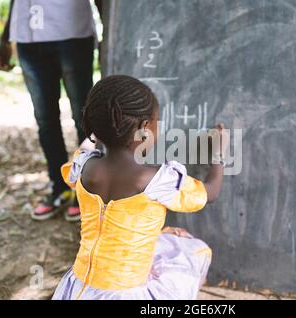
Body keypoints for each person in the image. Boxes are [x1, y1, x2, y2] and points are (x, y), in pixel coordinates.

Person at [52, 75, 229, 300]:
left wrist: (98, 127)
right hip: (125, 293)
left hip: (79, 285)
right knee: (187, 248)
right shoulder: (155, 179)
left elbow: (84, 149)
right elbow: (210, 192)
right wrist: (219, 154)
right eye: (157, 122)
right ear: (145, 127)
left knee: (165, 239)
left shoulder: (84, 167)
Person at [0, 0, 102, 222]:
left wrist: (109, 33)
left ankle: (88, 190)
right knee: (46, 120)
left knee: (84, 117)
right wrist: (6, 38)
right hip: (27, 36)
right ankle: (59, 189)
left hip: (71, 31)